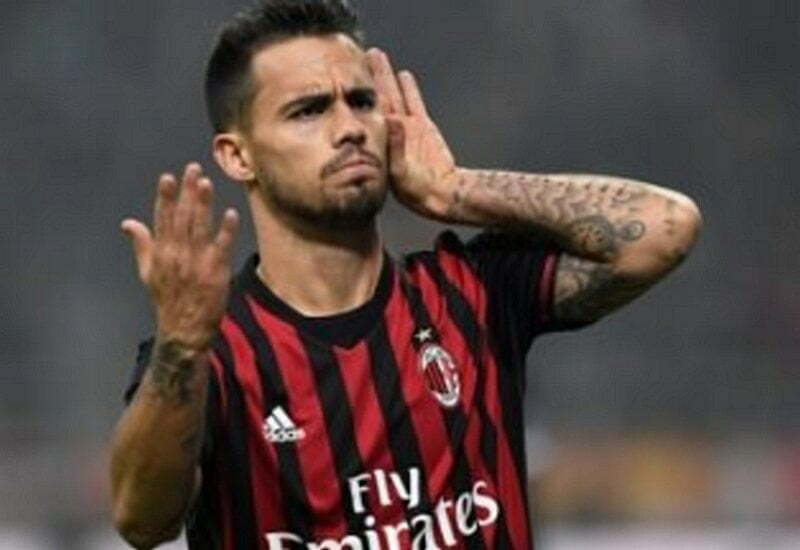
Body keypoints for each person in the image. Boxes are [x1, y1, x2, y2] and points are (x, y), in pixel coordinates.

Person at [109, 1, 702, 548]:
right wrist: (181, 345)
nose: (349, 127)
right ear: (238, 156)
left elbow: (666, 228)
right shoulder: (207, 354)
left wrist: (456, 191)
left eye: (361, 101)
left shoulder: (470, 291)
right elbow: (141, 521)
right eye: (309, 110)